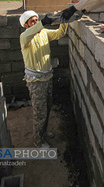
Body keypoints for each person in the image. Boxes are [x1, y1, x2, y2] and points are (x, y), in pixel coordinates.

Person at [19, 10, 68, 148]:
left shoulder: (44, 33)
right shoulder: (25, 37)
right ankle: (38, 140)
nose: (35, 23)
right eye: (32, 21)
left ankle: (43, 132)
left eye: (36, 20)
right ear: (26, 25)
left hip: (47, 77)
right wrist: (43, 22)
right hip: (36, 81)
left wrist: (64, 21)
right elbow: (31, 32)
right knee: (39, 111)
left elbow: (59, 33)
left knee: (47, 107)